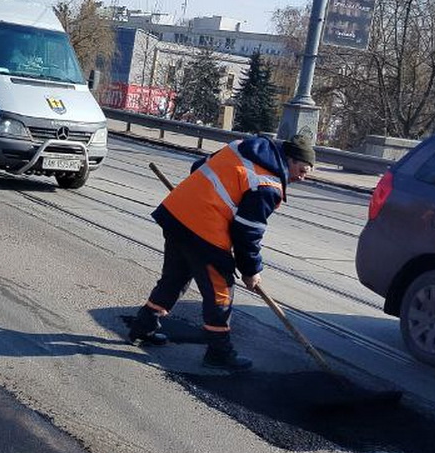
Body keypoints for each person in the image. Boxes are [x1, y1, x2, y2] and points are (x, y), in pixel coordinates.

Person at [127, 135, 316, 370]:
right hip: (203, 229)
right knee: (221, 291)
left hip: (177, 213)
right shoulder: (267, 184)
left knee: (175, 276)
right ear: (288, 160)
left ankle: (143, 327)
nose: (302, 177)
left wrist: (203, 197)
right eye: (301, 169)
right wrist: (251, 270)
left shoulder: (241, 147)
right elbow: (247, 232)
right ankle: (218, 352)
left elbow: (198, 167)